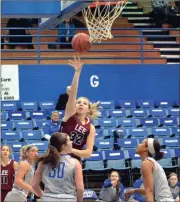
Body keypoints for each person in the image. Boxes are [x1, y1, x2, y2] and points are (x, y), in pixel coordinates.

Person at [60, 56, 100, 159]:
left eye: (84, 103)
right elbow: (73, 93)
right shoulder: (70, 115)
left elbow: (88, 153)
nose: (81, 104)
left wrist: (71, 150)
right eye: (78, 102)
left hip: (75, 159)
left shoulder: (91, 127)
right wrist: (77, 73)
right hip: (59, 156)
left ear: (88, 109)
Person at [32, 132, 84, 202]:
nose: (71, 142)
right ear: (63, 146)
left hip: (48, 198)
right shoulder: (75, 163)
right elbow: (80, 188)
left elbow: (34, 185)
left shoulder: (43, 162)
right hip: (68, 198)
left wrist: (44, 195)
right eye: (69, 140)